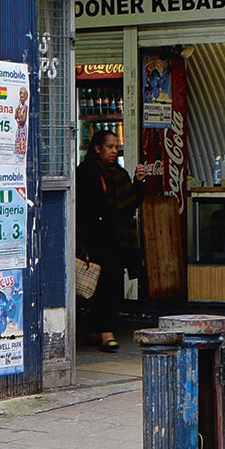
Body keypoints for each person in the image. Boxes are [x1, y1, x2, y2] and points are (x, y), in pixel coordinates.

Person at [75, 127, 140, 352]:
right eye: (109, 147)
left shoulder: (118, 173)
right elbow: (88, 209)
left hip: (117, 237)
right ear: (97, 147)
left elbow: (130, 203)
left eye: (116, 147)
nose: (114, 151)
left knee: (112, 282)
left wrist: (138, 183)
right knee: (103, 283)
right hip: (97, 236)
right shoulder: (87, 172)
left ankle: (95, 329)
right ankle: (104, 331)